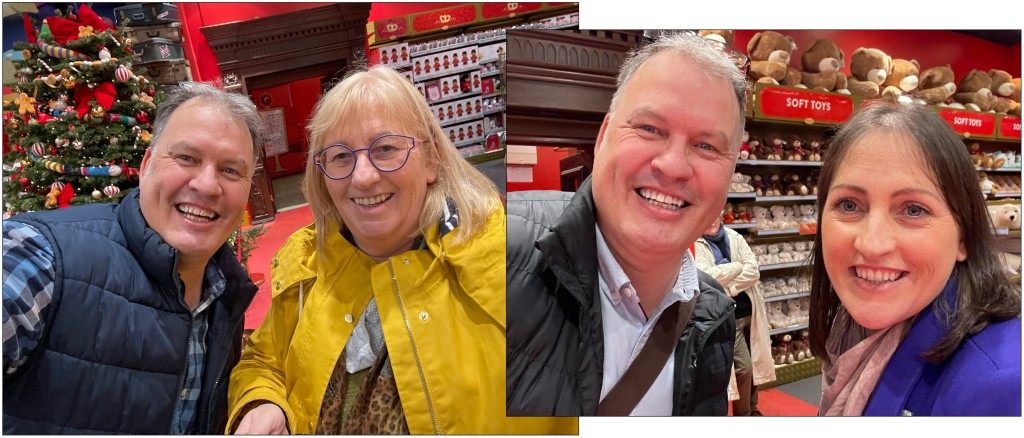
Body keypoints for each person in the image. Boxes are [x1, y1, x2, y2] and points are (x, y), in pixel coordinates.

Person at [226, 66, 575, 434]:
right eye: (341, 157)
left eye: (386, 148)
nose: (363, 176)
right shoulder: (307, 265)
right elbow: (263, 361)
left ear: (430, 159)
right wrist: (262, 402)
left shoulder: (514, 262)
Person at [506, 32, 747, 416]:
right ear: (603, 137)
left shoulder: (714, 316)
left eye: (707, 146)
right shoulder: (499, 253)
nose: (672, 165)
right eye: (650, 128)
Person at [2, 82, 263, 433]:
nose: (207, 185)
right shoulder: (40, 255)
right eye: (186, 158)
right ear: (147, 165)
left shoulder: (225, 294)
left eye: (231, 170)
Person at [809, 102, 1021, 416]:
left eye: (913, 210)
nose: (872, 244)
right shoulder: (850, 337)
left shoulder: (1000, 386)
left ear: (964, 238)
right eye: (850, 205)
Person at [695, 214, 776, 415]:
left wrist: (729, 285)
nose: (712, 219)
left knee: (756, 362)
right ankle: (744, 414)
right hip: (728, 316)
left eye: (716, 214)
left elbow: (754, 270)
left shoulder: (735, 237)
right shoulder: (696, 244)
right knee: (744, 368)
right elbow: (707, 276)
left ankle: (753, 408)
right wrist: (737, 267)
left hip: (751, 311)